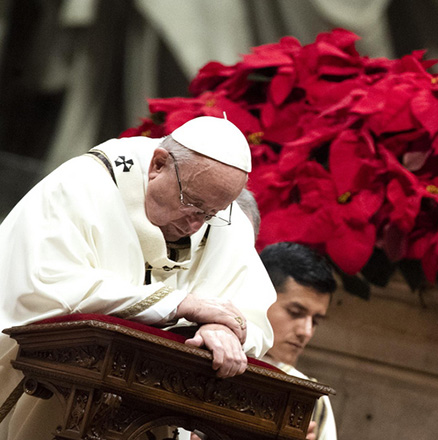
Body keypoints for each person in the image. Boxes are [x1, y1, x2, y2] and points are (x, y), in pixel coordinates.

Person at [0, 116, 276, 439]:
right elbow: (48, 285)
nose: (196, 225)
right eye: (191, 204)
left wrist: (221, 327)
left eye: (209, 214)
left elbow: (255, 318)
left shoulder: (222, 218)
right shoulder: (82, 186)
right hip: (48, 394)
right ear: (157, 165)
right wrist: (181, 305)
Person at [261, 242, 338, 440]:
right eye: (295, 313)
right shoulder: (202, 353)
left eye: (315, 321)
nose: (306, 332)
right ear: (259, 294)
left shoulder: (310, 399)